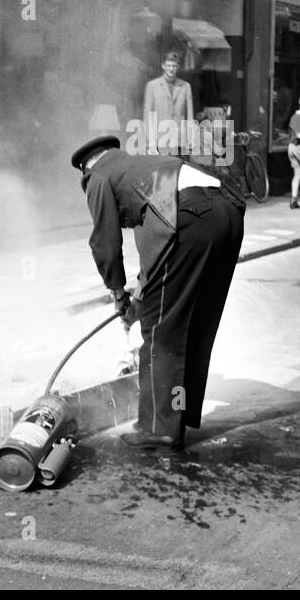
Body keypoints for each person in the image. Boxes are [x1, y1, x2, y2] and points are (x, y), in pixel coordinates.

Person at [72, 134, 245, 450]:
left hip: (188, 217)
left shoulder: (98, 177)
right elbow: (157, 243)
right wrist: (140, 295)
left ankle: (160, 428)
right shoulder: (142, 165)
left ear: (86, 169)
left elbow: (105, 245)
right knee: (194, 322)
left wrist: (119, 294)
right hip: (228, 212)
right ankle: (180, 413)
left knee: (162, 330)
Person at [142, 51, 194, 155]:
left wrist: (191, 139)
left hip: (179, 141)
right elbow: (148, 116)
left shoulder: (185, 86)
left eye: (174, 66)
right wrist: (151, 143)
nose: (171, 69)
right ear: (163, 66)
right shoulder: (152, 86)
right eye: (169, 65)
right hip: (160, 141)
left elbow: (190, 116)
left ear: (178, 67)